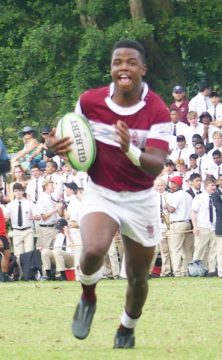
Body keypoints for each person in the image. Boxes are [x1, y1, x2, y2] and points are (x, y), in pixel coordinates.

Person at [47, 40, 170, 348]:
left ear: (142, 69)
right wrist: (55, 146)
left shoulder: (157, 108)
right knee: (91, 251)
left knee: (138, 277)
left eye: (131, 63)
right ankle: (88, 296)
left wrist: (129, 149)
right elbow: (67, 135)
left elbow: (155, 166)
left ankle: (126, 328)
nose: (123, 68)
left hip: (141, 199)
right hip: (101, 192)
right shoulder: (89, 101)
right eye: (118, 63)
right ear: (111, 68)